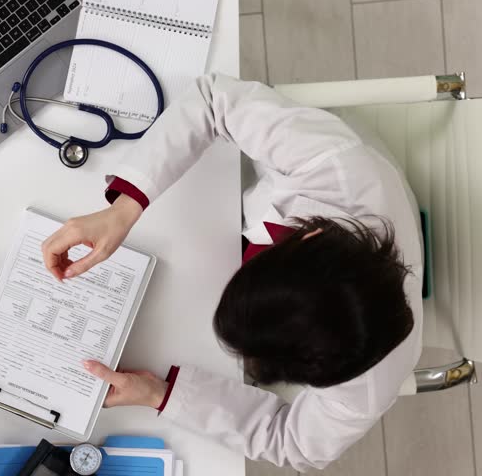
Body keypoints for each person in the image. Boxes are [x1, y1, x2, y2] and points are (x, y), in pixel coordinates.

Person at [40, 73, 423, 471]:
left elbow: (293, 445)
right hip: (315, 166)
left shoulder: (367, 388)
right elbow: (214, 99)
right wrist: (124, 208)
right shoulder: (332, 163)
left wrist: (161, 394)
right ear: (311, 238)